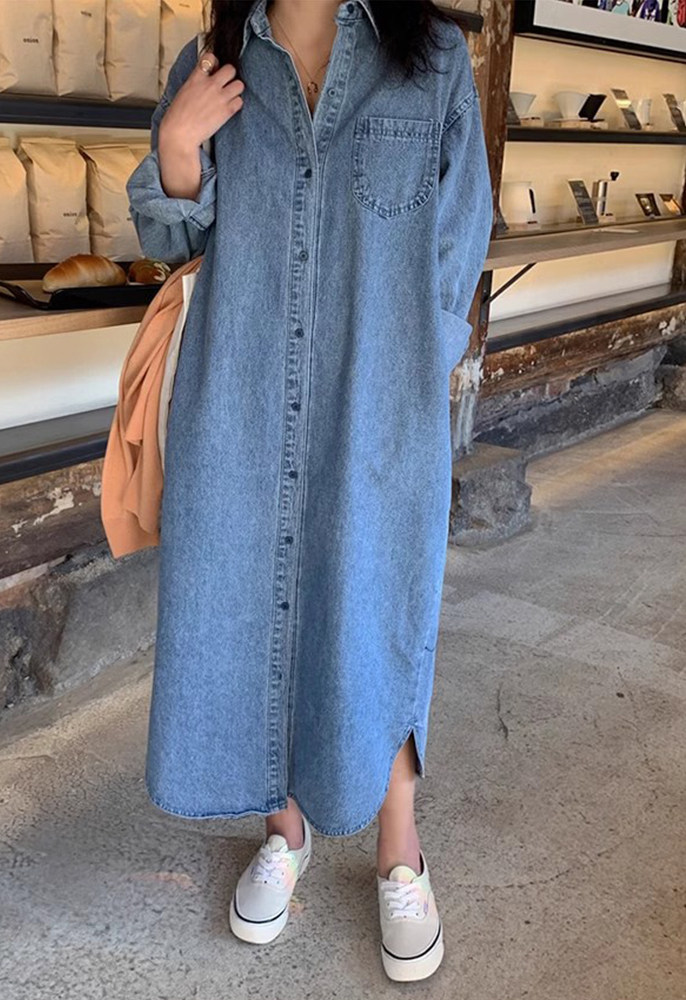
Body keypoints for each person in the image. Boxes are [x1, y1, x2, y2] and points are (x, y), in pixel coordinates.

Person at [127, 0, 493, 982]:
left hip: (380, 407)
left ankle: (399, 848)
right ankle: (284, 829)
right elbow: (168, 236)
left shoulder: (434, 60)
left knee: (378, 608)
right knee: (253, 605)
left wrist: (411, 371)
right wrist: (177, 145)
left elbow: (461, 230)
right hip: (241, 401)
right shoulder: (215, 59)